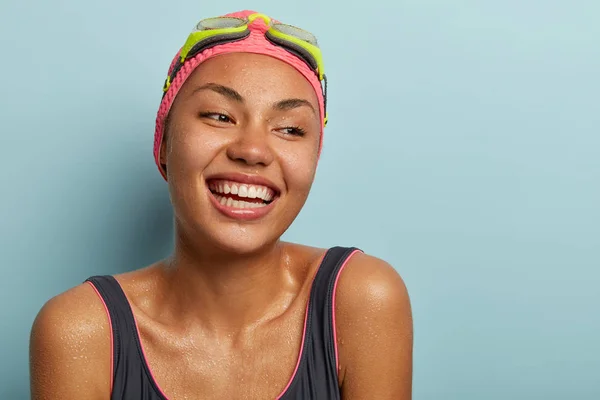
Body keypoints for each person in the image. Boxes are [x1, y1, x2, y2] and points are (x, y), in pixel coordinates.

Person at [29, 10, 413, 400]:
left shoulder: (361, 301)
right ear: (163, 143)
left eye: (290, 129)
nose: (252, 150)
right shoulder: (81, 332)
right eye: (219, 116)